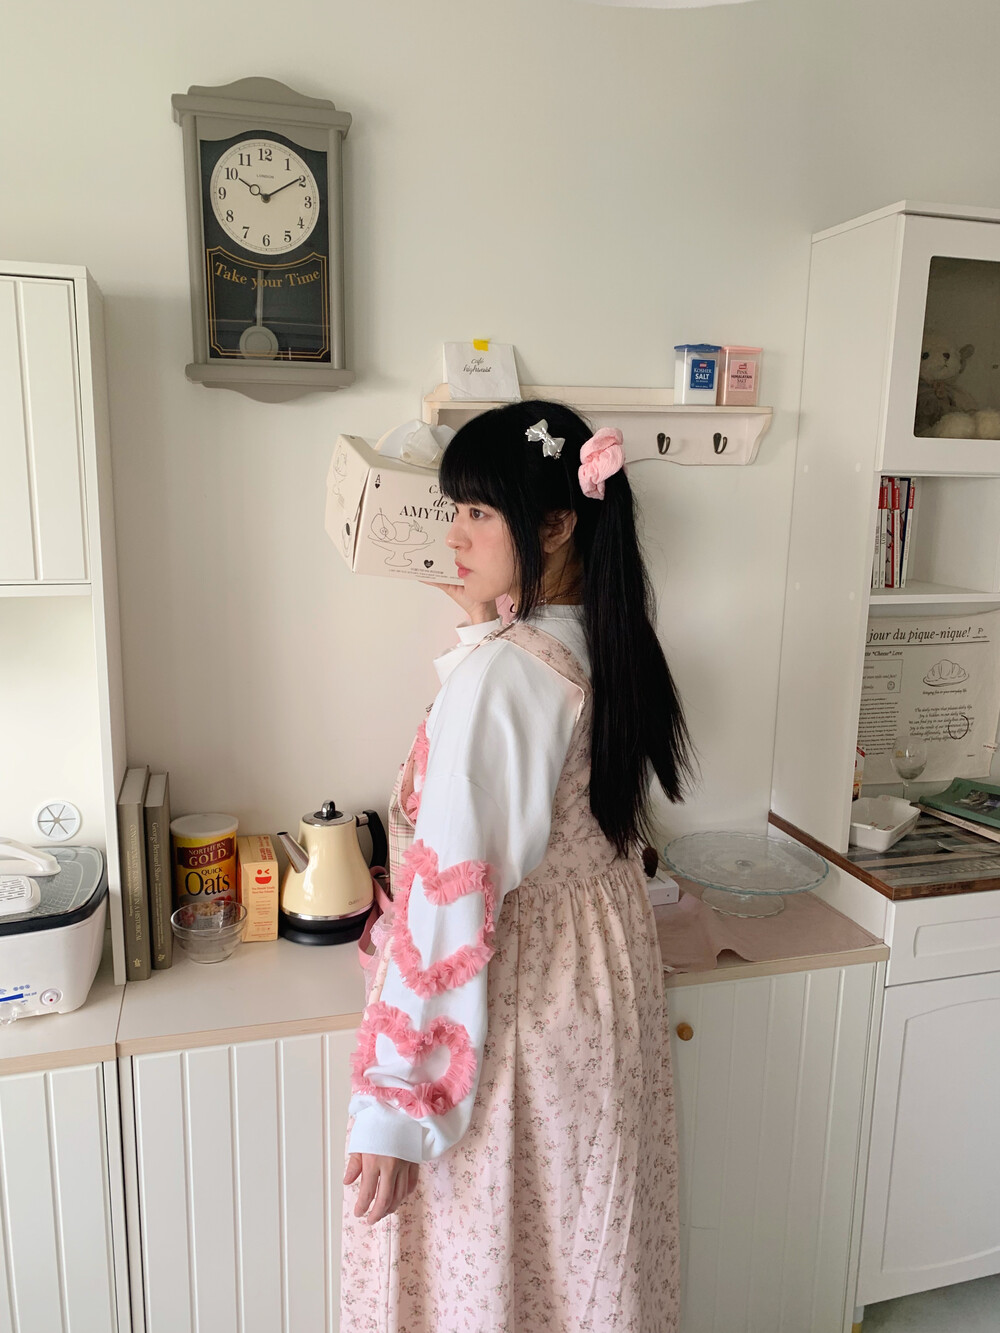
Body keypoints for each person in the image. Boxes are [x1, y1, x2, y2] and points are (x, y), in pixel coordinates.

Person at [340, 399, 692, 1332]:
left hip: (516, 1008)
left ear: (558, 524)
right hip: (599, 993)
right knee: (575, 1256)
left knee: (495, 1261)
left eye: (478, 512)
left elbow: (448, 901)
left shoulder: (506, 675)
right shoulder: (605, 637)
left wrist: (398, 1102)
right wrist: (484, 625)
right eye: (453, 508)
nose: (452, 535)